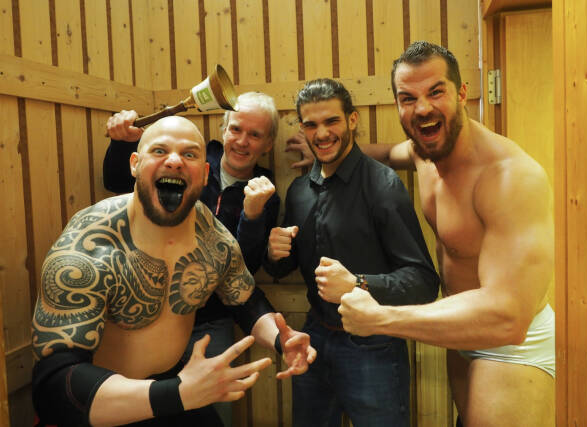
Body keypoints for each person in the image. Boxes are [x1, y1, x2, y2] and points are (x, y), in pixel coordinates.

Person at [31, 116, 316, 427]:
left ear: (204, 174)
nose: (175, 161)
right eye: (159, 151)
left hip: (170, 386)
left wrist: (281, 339)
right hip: (101, 401)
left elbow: (244, 299)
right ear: (135, 164)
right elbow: (55, 386)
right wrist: (178, 394)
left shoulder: (209, 232)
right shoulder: (89, 246)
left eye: (189, 154)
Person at [336, 41, 556, 427]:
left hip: (511, 344)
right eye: (408, 98)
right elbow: (387, 154)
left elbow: (509, 316)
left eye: (436, 92)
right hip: (462, 332)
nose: (422, 108)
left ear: (462, 93)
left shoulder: (510, 178)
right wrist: (330, 152)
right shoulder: (423, 152)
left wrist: (381, 318)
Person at [263, 78, 439, 427]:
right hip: (313, 339)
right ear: (302, 128)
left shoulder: (383, 185)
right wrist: (274, 253)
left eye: (332, 121)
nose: (322, 133)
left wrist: (357, 284)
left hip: (374, 343)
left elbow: (423, 282)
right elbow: (282, 270)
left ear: (352, 120)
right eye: (311, 124)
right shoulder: (299, 190)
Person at [103, 92, 280, 426]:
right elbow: (119, 183)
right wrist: (120, 143)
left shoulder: (266, 192)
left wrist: (253, 215)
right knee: (145, 411)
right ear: (224, 129)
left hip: (212, 324)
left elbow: (241, 269)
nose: (242, 141)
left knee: (212, 415)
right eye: (236, 129)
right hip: (152, 318)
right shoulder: (190, 162)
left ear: (268, 143)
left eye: (255, 134)